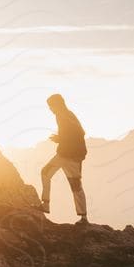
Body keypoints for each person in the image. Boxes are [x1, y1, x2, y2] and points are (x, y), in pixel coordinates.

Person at [38, 93, 88, 224]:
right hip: (73, 155)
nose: (50, 109)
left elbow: (75, 134)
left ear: (57, 104)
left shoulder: (62, 115)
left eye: (51, 106)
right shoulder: (68, 114)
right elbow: (79, 133)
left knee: (45, 173)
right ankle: (83, 217)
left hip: (66, 155)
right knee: (76, 186)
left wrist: (59, 139)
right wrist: (60, 139)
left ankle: (46, 205)